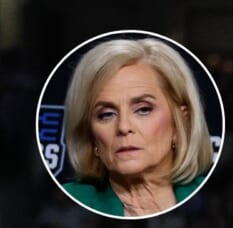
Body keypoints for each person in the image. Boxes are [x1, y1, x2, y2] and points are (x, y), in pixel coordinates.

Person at [62, 37, 213, 218]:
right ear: (91, 135)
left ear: (181, 123)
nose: (124, 127)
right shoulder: (72, 199)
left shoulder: (208, 198)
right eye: (106, 114)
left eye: (143, 110)